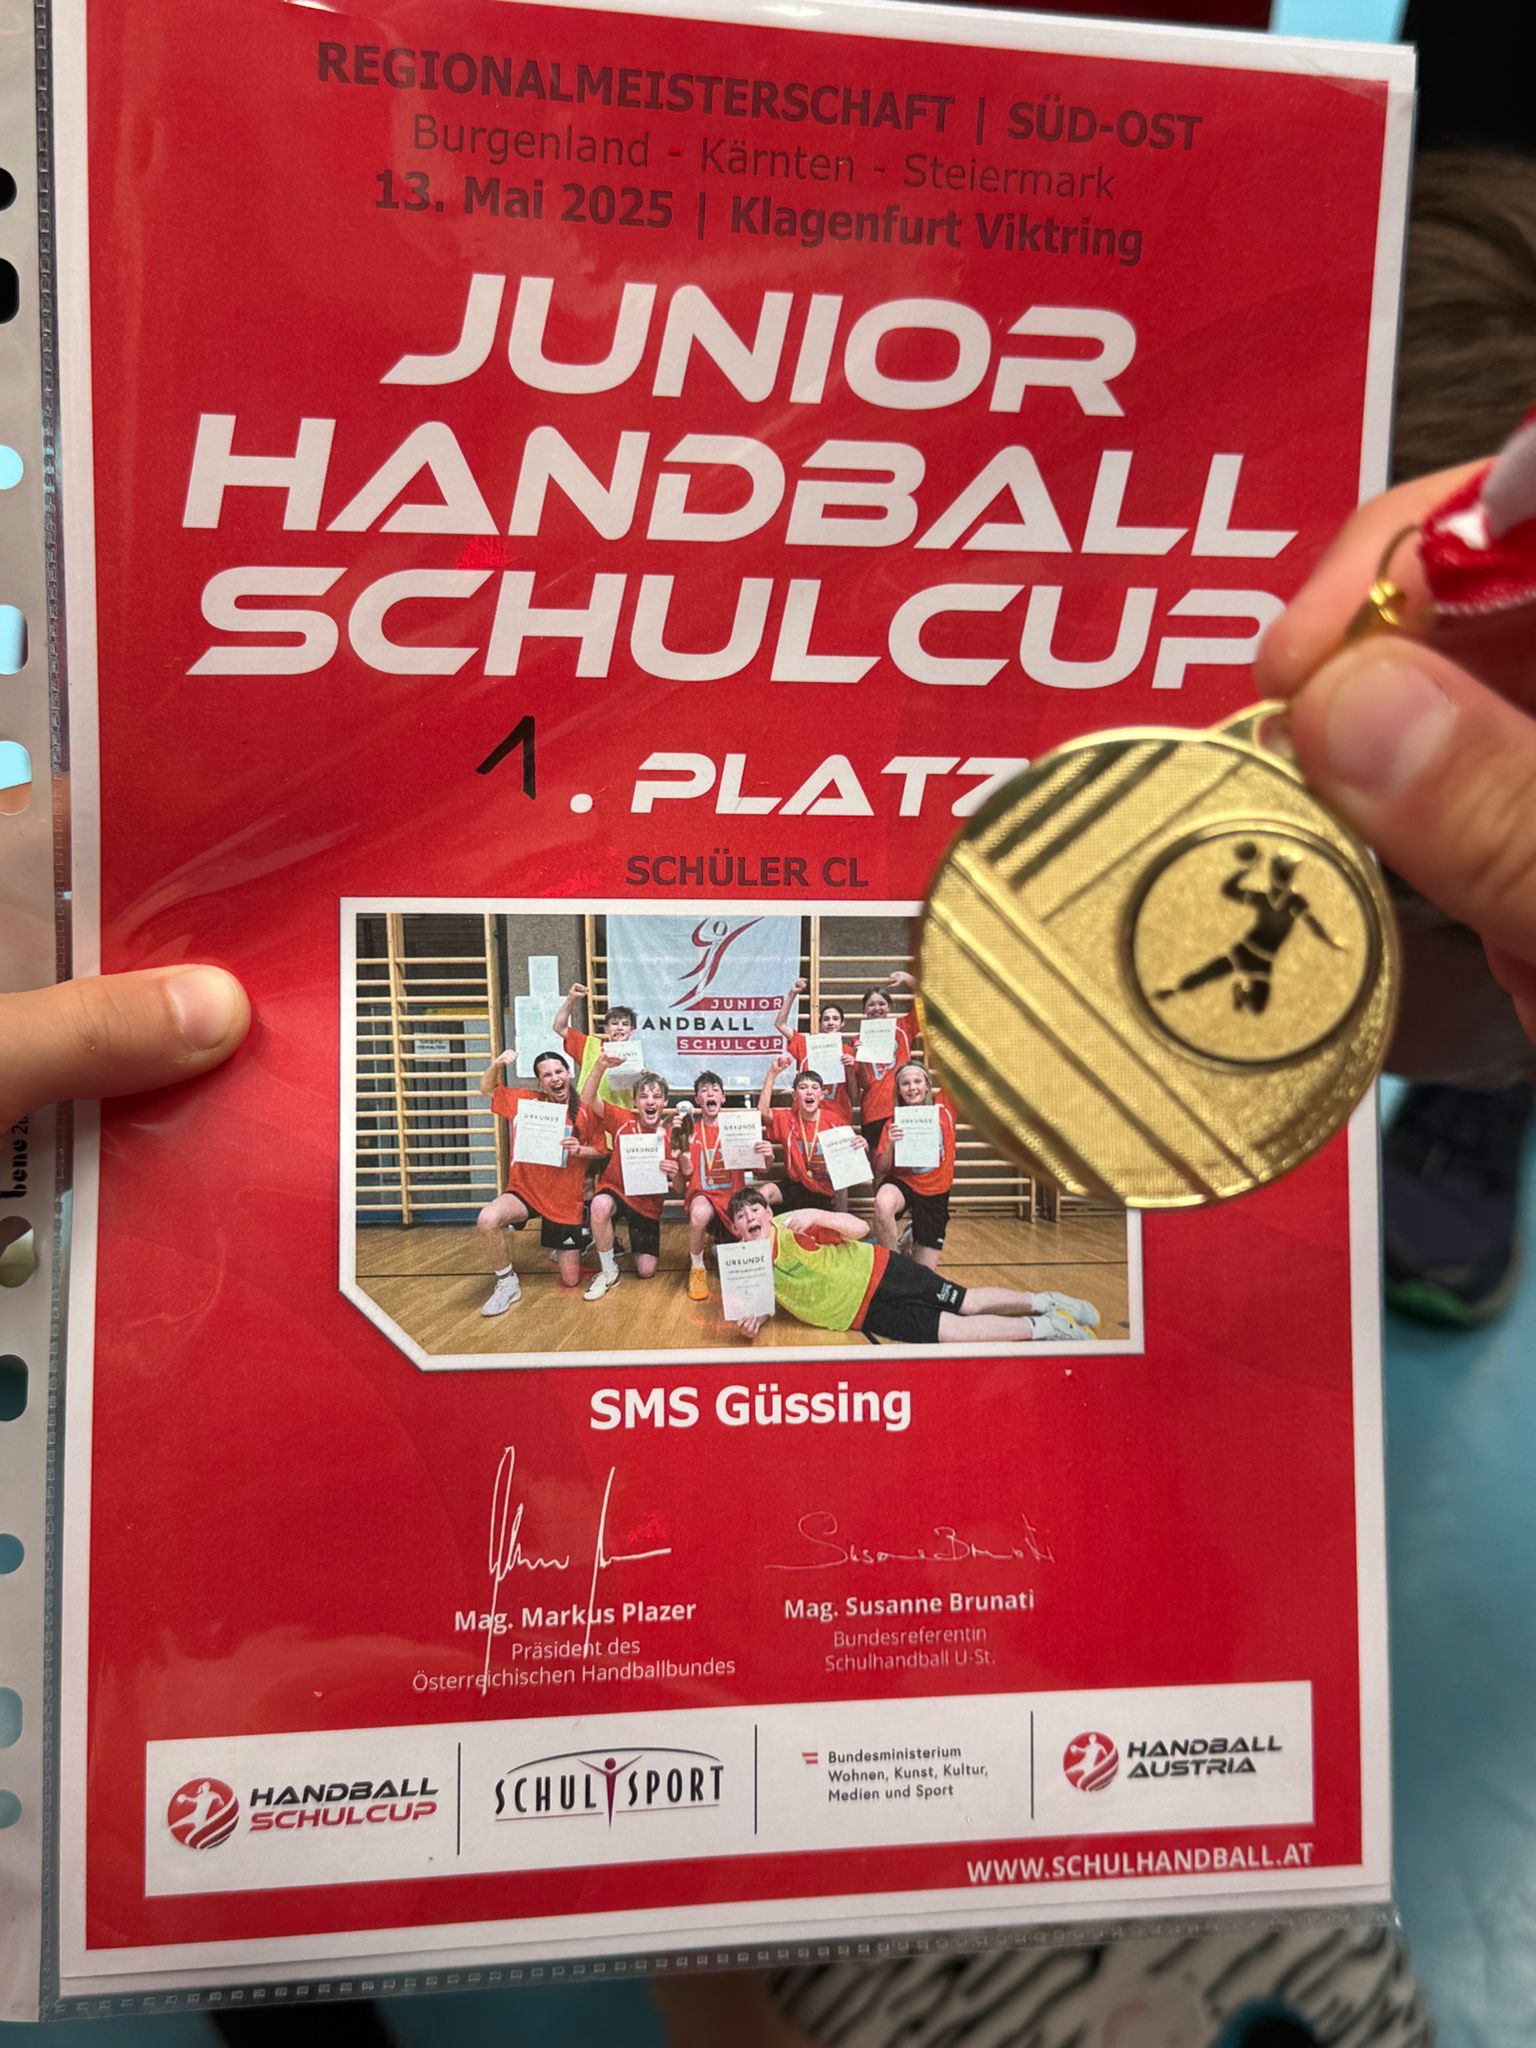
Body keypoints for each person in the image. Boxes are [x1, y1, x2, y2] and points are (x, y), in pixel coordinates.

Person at [724, 1188, 1097, 1344]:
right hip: (860, 1314)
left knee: (966, 1303)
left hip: (882, 1271)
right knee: (951, 1333)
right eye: (741, 1216)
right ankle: (1049, 1327)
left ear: (769, 1212)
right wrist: (756, 1319)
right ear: (736, 1230)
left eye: (755, 1209)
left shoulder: (795, 1226)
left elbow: (861, 1229)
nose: (750, 1216)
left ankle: (1045, 1301)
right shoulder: (743, 1267)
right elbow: (765, 1303)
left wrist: (818, 1215)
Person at [474, 1047, 599, 1313]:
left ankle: (583, 1237)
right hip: (525, 1193)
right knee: (487, 1219)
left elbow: (601, 1150)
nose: (555, 1078)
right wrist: (496, 1064)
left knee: (570, 1280)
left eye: (558, 1071)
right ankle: (507, 1282)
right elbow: (486, 1088)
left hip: (563, 1201)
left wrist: (580, 1150)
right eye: (547, 1075)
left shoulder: (585, 1110)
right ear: (540, 1083)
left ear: (568, 1073)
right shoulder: (525, 1102)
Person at [577, 1048, 679, 1300]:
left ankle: (624, 1243)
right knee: (599, 1205)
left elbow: (678, 1187)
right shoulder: (622, 1119)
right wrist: (600, 1066)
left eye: (656, 1097)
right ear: (635, 1102)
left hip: (646, 1206)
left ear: (665, 1103)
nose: (650, 1101)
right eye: (643, 1096)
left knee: (646, 1271)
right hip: (617, 1192)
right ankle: (608, 1270)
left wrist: (674, 1173)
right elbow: (587, 1098)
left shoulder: (669, 1135)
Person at [675, 1069, 754, 1302]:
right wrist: (680, 1147)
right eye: (704, 1091)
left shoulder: (737, 1128)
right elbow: (687, 1171)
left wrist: (766, 1154)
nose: (710, 1094)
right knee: (699, 1213)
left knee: (736, 1263)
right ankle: (697, 1267)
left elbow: (762, 1167)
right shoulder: (689, 1131)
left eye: (715, 1090)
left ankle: (721, 1245)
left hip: (733, 1199)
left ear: (723, 1097)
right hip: (705, 1196)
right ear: (697, 1099)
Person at [872, 1060, 956, 1267]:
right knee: (883, 1203)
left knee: (923, 1275)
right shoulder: (892, 1123)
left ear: (927, 1085)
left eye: (917, 1081)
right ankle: (896, 1265)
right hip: (905, 1183)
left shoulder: (945, 1109)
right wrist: (891, 1145)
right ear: (899, 1091)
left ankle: (912, 1235)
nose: (912, 1088)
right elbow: (880, 1169)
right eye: (905, 1083)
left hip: (935, 1193)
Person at [754, 1051, 856, 1214]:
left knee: (841, 1188)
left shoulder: (835, 1121)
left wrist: (861, 1145)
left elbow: (848, 1166)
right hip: (795, 1186)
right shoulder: (787, 1118)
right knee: (763, 1193)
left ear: (822, 1095)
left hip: (823, 1190)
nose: (809, 1092)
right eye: (803, 1088)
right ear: (795, 1095)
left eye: (814, 1088)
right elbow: (763, 1111)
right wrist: (772, 1073)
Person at [773, 978, 859, 1119]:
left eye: (835, 1018)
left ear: (842, 1023)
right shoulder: (806, 1044)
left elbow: (854, 1095)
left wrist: (850, 1069)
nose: (830, 1022)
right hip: (805, 1115)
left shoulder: (849, 1052)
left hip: (837, 1115)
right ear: (819, 1024)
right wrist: (792, 993)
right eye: (826, 1019)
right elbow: (780, 1024)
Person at [854, 970, 916, 1157]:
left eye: (881, 1003)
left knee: (905, 1164)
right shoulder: (857, 1040)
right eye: (871, 1004)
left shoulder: (904, 1027)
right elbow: (864, 1084)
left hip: (903, 1107)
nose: (876, 1008)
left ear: (889, 1007)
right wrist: (860, 1059)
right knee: (878, 1165)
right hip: (873, 1110)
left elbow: (927, 1002)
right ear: (864, 1009)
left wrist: (909, 979)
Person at [552, 980, 640, 1107]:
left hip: (619, 1115)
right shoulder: (589, 1045)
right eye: (614, 1024)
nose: (620, 1028)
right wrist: (571, 998)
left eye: (625, 1024)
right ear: (606, 1029)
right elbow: (559, 1027)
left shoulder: (636, 1057)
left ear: (632, 1030)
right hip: (587, 1113)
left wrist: (643, 1078)